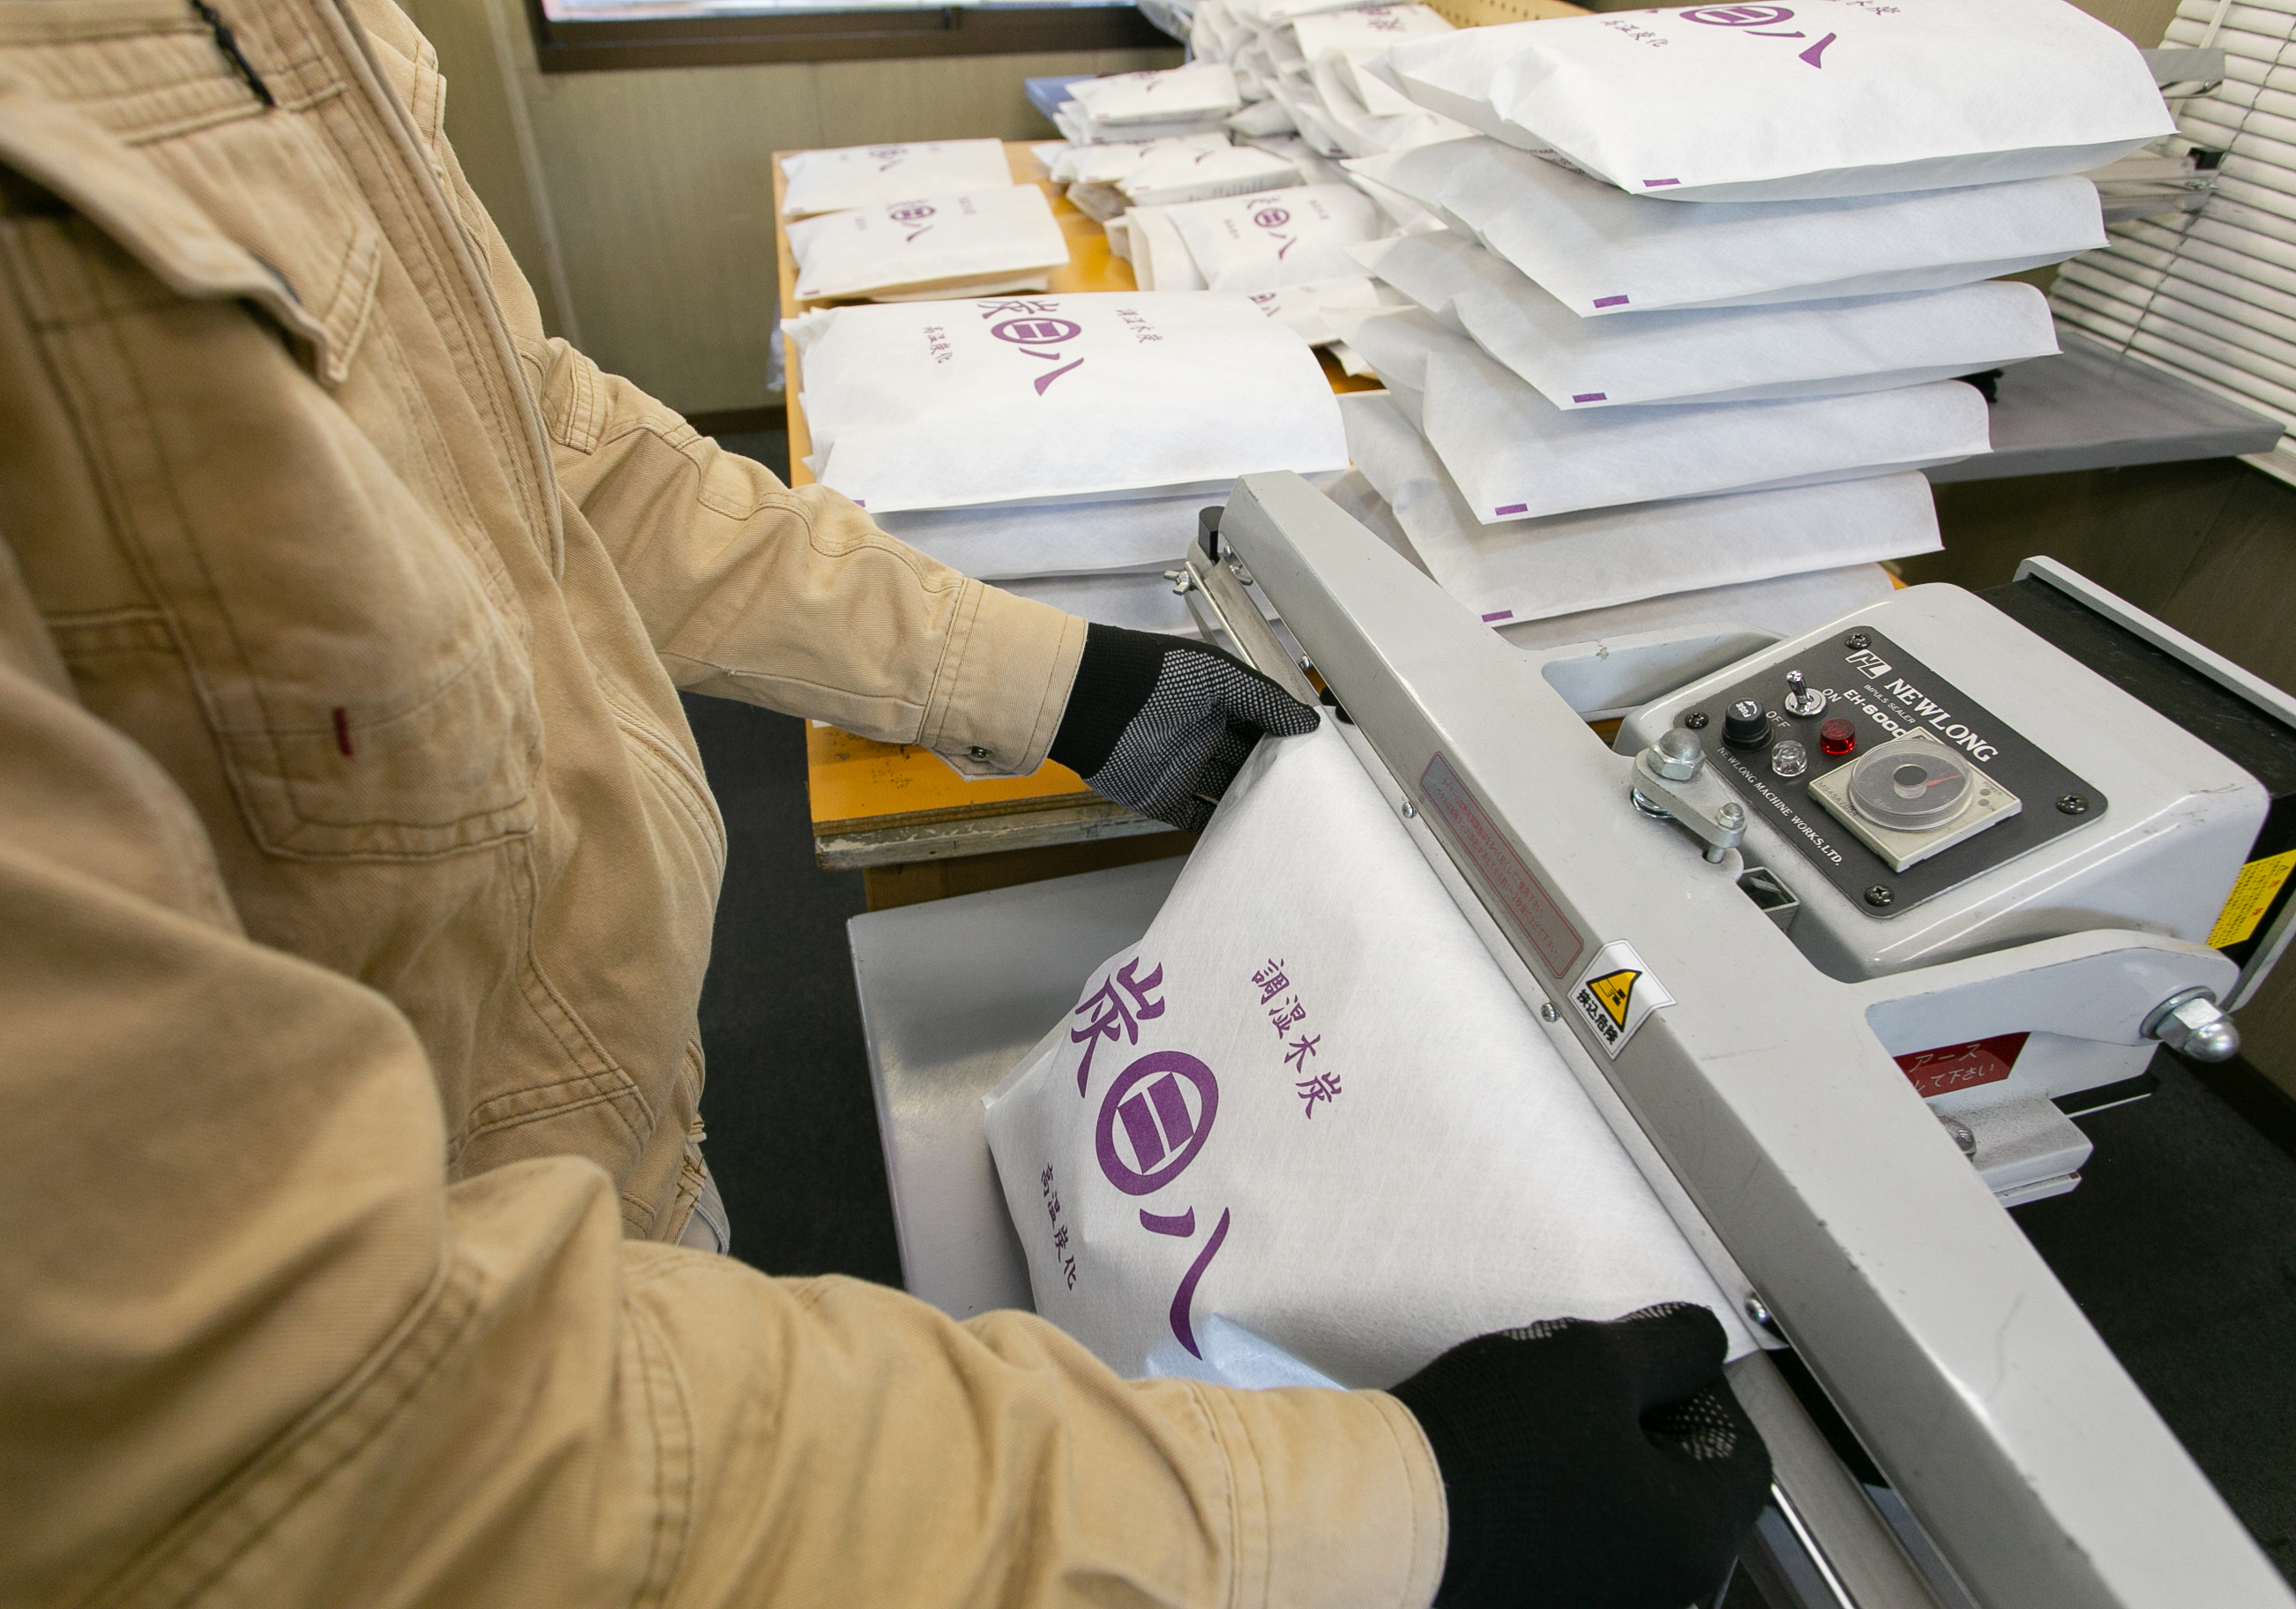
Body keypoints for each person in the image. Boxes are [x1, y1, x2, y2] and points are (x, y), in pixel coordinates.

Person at [0, 0, 1769, 1602]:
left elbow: (518, 441)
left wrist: (1041, 679)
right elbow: (281, 1444)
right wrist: (1375, 1522)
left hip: (600, 1151)